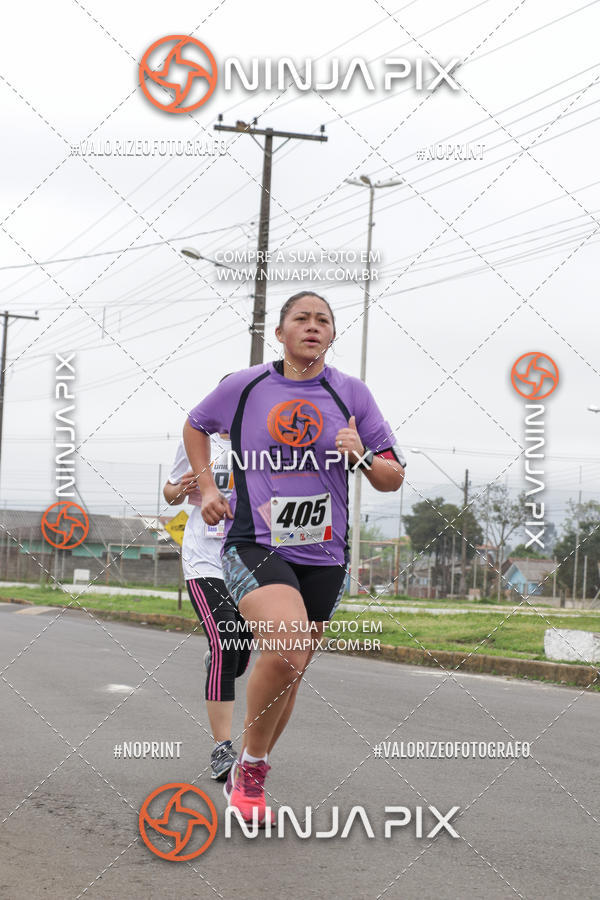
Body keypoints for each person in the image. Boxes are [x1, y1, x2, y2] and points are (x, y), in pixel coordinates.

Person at [183, 290, 405, 823]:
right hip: (255, 542)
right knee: (284, 651)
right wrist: (210, 488)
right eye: (300, 319)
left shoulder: (352, 393)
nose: (313, 326)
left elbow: (392, 476)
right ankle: (251, 772)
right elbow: (195, 425)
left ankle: (250, 766)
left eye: (322, 320)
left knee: (294, 669)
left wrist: (364, 454)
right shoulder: (246, 386)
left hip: (324, 554)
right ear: (279, 333)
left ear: (332, 335)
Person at [163, 427, 253, 781]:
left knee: (239, 657)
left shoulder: (257, 441)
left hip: (246, 560)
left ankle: (218, 659)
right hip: (204, 561)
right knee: (226, 644)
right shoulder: (195, 441)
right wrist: (180, 490)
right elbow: (170, 493)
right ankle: (222, 749)